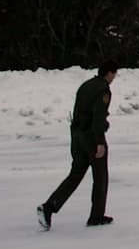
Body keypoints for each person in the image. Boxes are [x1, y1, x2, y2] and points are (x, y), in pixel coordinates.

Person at [37, 61, 118, 229]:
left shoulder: (86, 85)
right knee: (100, 176)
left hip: (77, 135)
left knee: (75, 175)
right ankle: (96, 216)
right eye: (114, 74)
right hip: (91, 138)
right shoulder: (103, 89)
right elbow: (97, 117)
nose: (114, 78)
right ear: (109, 73)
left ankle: (49, 207)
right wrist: (100, 143)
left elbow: (80, 111)